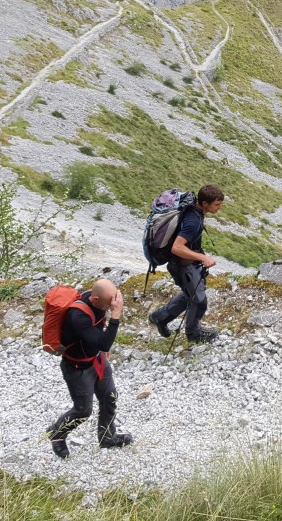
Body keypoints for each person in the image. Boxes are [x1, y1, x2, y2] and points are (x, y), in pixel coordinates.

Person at [47, 278, 133, 458]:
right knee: (82, 411)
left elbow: (100, 336)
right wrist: (116, 316)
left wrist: (110, 312)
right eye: (109, 305)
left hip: (97, 360)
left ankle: (107, 438)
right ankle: (57, 434)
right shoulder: (77, 316)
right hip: (77, 368)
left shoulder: (96, 301)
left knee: (109, 398)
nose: (111, 308)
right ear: (94, 299)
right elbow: (104, 343)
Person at [148, 183, 224, 343]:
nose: (219, 208)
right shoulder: (193, 221)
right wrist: (203, 258)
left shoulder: (194, 211)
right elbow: (177, 247)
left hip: (185, 263)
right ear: (205, 203)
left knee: (190, 295)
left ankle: (159, 317)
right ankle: (194, 333)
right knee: (199, 301)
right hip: (184, 266)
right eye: (217, 204)